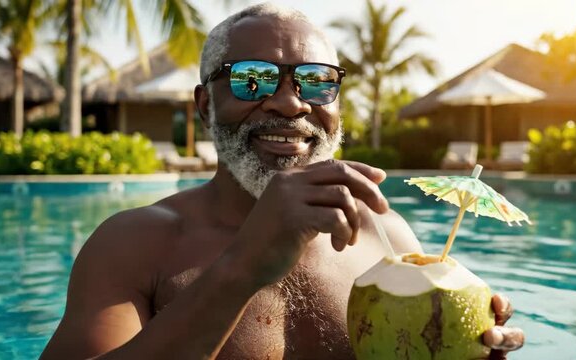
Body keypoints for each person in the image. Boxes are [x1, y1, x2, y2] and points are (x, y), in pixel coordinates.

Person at [41, 3, 524, 359]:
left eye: (316, 80)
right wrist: (244, 267)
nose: (291, 104)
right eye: (254, 79)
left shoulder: (387, 236)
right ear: (206, 104)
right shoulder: (134, 243)